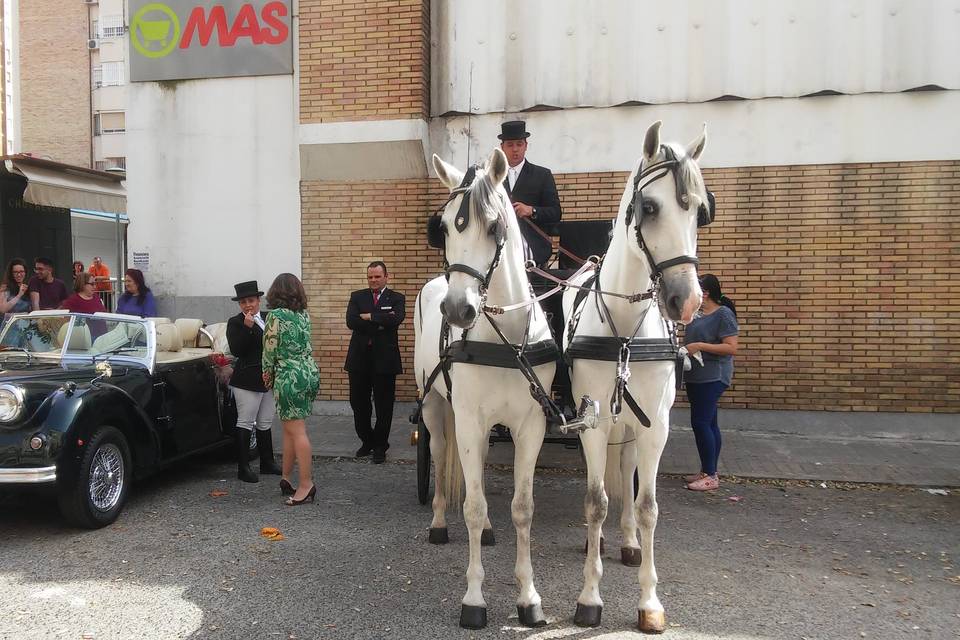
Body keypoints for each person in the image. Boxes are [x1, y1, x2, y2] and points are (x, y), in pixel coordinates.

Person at [262, 273, 320, 506]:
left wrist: (267, 378)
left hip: (288, 376)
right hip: (308, 373)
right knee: (290, 428)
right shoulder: (303, 315)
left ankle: (306, 484)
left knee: (296, 431)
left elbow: (269, 351)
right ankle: (286, 478)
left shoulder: (275, 316)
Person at [344, 261, 405, 464]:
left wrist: (370, 316)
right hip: (359, 360)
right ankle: (367, 440)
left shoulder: (397, 298)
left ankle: (380, 446)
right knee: (358, 404)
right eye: (370, 277)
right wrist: (379, 324)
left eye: (377, 276)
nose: (373, 280)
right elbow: (351, 321)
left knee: (384, 406)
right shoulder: (357, 296)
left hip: (384, 361)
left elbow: (396, 319)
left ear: (386, 277)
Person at [682, 274, 739, 491]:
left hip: (714, 376)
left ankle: (711, 476)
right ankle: (707, 470)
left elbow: (732, 347)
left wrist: (699, 346)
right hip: (696, 376)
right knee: (710, 423)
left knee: (701, 423)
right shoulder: (696, 315)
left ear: (704, 293)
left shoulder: (723, 314)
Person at [226, 280, 282, 483]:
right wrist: (247, 329)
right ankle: (243, 467)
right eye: (243, 302)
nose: (247, 305)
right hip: (247, 379)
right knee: (246, 421)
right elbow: (237, 350)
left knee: (265, 421)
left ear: (259, 300)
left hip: (268, 377)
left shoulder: (269, 317)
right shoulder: (235, 322)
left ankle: (267, 462)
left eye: (251, 300)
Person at [498, 120, 562, 267]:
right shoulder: (492, 177)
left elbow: (555, 212)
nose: (515, 149)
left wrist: (531, 210)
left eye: (519, 144)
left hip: (532, 251)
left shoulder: (542, 175)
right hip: (499, 250)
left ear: (526, 146)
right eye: (510, 145)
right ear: (502, 148)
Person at [1, 259, 32, 336]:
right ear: (11, 274)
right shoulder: (5, 288)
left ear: (25, 272)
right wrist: (19, 295)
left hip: (25, 328)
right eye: (15, 272)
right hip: (9, 328)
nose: (19, 275)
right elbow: (3, 309)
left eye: (21, 272)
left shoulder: (28, 287)